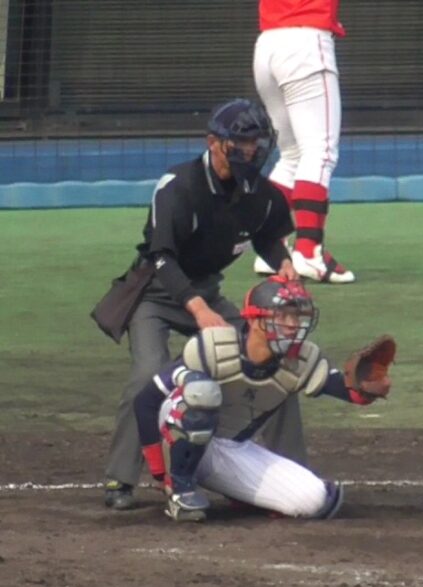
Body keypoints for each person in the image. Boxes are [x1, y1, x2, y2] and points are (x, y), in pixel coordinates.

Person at [100, 98, 310, 511]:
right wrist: (198, 309)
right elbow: (162, 257)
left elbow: (267, 237)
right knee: (147, 373)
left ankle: (291, 472)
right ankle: (120, 477)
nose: (251, 150)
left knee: (272, 360)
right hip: (156, 293)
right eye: (241, 142)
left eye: (256, 142)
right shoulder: (178, 187)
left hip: (209, 290)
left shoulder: (260, 194)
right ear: (214, 143)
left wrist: (284, 263)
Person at [135, 276, 389, 521]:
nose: (293, 324)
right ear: (256, 320)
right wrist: (159, 471)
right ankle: (179, 490)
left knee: (316, 500)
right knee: (200, 391)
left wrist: (369, 387)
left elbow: (349, 390)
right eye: (283, 316)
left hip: (228, 449)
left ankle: (242, 493)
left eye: (298, 316)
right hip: (175, 434)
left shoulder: (300, 362)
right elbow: (146, 401)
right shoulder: (214, 348)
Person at [251, 0, 355, 284]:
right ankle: (309, 251)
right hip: (306, 42)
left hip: (268, 44)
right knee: (320, 152)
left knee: (292, 155)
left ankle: (271, 250)